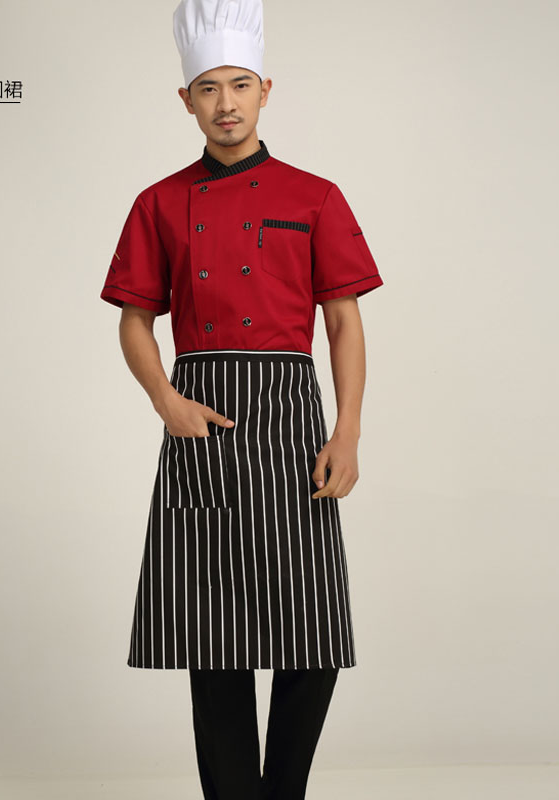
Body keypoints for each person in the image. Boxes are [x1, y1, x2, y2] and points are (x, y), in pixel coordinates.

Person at [99, 0, 384, 796]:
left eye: (239, 85)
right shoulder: (159, 202)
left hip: (293, 422)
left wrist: (348, 431)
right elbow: (133, 321)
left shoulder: (316, 196)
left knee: (312, 629)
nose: (225, 103)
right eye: (207, 88)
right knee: (212, 636)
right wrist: (166, 401)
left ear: (265, 90)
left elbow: (343, 323)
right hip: (203, 425)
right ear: (186, 100)